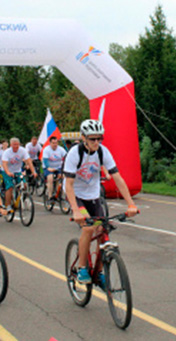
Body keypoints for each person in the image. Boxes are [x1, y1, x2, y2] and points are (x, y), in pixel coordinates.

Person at [64, 120, 138, 284]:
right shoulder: (74, 153)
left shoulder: (103, 152)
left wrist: (130, 203)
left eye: (99, 138)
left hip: (93, 195)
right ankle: (82, 267)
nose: (97, 142)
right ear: (83, 138)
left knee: (102, 230)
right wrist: (75, 210)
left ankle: (98, 272)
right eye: (92, 139)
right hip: (76, 195)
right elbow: (68, 184)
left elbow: (117, 178)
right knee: (89, 228)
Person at [1, 137, 37, 212]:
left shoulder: (22, 150)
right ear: (11, 145)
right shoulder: (7, 152)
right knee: (10, 187)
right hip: (7, 171)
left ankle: (21, 198)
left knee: (24, 184)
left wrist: (33, 171)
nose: (16, 147)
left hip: (17, 170)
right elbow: (4, 164)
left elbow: (29, 161)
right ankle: (8, 205)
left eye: (17, 145)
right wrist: (8, 172)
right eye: (14, 145)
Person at [42, 136, 66, 204]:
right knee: (50, 178)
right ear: (50, 143)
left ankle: (60, 193)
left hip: (58, 167)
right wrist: (49, 168)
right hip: (48, 167)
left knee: (62, 177)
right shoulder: (46, 150)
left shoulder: (61, 149)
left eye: (56, 143)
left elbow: (66, 157)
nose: (55, 144)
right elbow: (45, 161)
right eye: (53, 143)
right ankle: (50, 196)